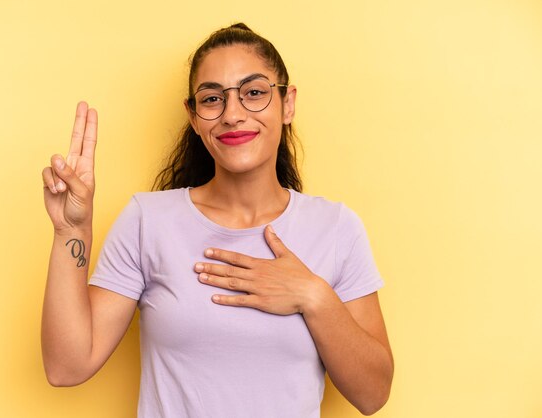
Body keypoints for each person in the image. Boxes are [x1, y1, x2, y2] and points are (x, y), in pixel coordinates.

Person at [41, 23, 393, 417]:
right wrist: (71, 230)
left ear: (287, 103)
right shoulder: (148, 220)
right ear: (193, 117)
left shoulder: (336, 228)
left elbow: (373, 394)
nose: (232, 115)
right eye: (212, 100)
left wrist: (312, 296)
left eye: (254, 93)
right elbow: (66, 366)